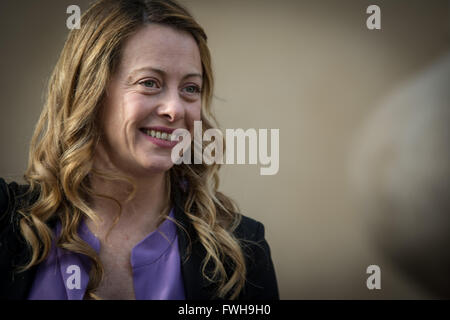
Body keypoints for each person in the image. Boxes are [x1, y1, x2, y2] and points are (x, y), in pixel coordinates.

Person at [0, 0, 279, 300]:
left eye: (190, 88)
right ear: (90, 92)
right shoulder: (8, 225)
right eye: (150, 83)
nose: (175, 109)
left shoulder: (241, 250)